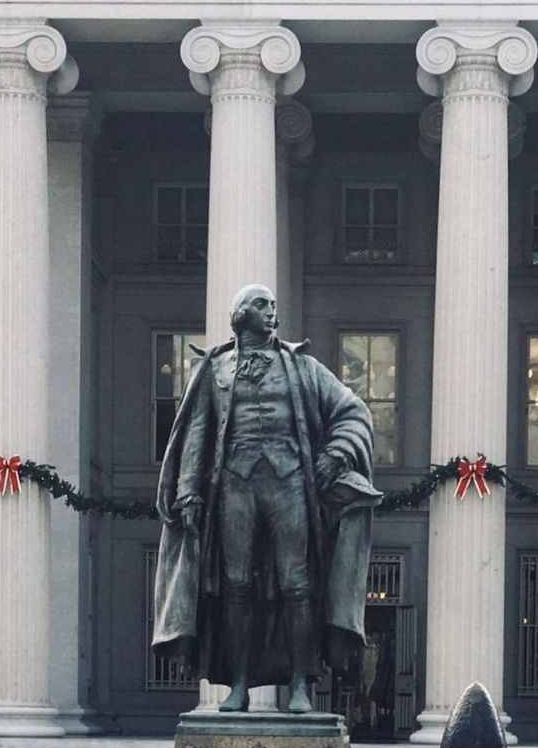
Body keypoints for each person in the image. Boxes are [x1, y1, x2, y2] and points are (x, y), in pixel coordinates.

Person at [152, 283, 380, 713]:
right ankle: (237, 686)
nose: (272, 311)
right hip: (233, 487)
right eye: (261, 305)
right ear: (239, 316)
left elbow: (354, 410)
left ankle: (298, 684)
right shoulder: (215, 370)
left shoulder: (303, 368)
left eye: (274, 305)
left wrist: (335, 454)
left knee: (297, 585)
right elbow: (198, 432)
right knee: (235, 587)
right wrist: (187, 491)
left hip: (290, 483)